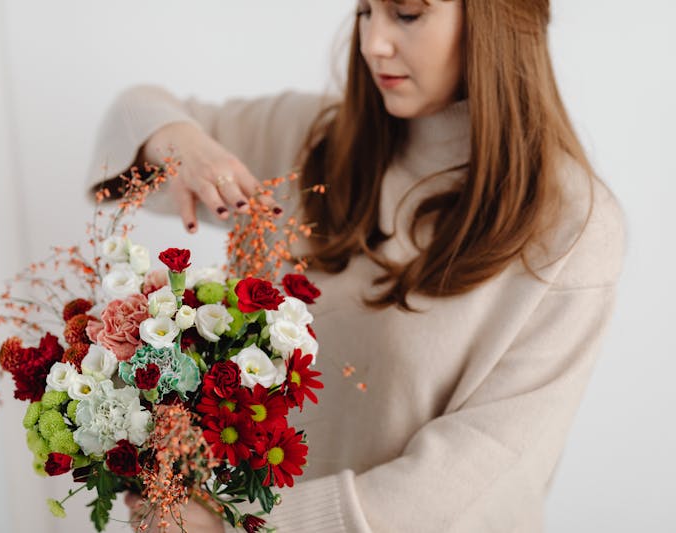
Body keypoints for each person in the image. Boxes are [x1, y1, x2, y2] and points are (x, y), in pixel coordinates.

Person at [86, 1, 627, 531]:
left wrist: (241, 526)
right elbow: (130, 122)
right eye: (366, 10)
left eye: (407, 13)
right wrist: (187, 148)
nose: (373, 43)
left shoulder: (571, 223)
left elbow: (480, 468)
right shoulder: (317, 141)